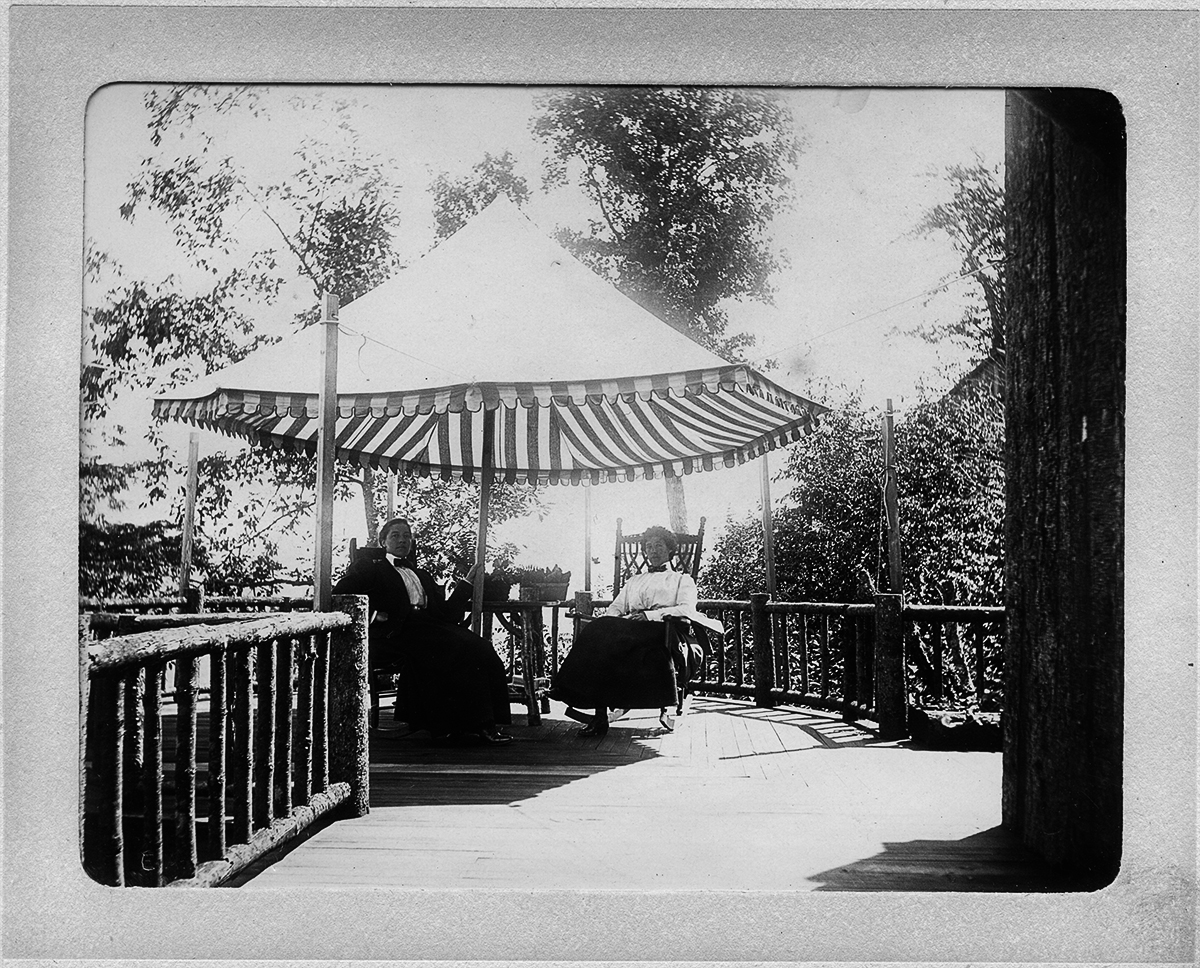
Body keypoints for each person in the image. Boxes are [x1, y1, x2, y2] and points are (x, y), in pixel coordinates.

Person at [333, 517, 512, 744]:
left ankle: (485, 723)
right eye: (395, 536)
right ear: (383, 541)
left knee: (481, 647)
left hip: (429, 627)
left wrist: (466, 584)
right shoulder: (370, 568)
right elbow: (340, 594)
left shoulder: (421, 574)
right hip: (396, 633)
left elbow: (447, 613)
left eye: (407, 536)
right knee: (458, 649)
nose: (402, 540)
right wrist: (373, 614)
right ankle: (473, 724)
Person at [550, 525, 706, 736]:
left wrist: (648, 616)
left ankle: (562, 687)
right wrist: (613, 622)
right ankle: (598, 714)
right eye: (649, 546)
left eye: (659, 545)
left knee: (600, 633)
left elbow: (686, 609)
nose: (653, 550)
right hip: (630, 630)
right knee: (601, 638)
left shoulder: (682, 580)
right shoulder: (635, 581)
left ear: (670, 549)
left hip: (661, 629)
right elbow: (616, 607)